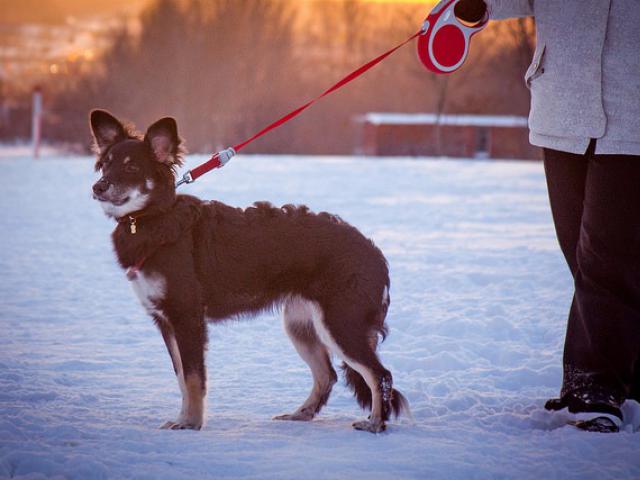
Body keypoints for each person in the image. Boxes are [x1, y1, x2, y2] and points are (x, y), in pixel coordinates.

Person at [454, 0, 640, 432]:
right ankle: (628, 374)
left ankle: (594, 388)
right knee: (578, 251)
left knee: (607, 257)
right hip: (562, 105)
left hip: (633, 113)